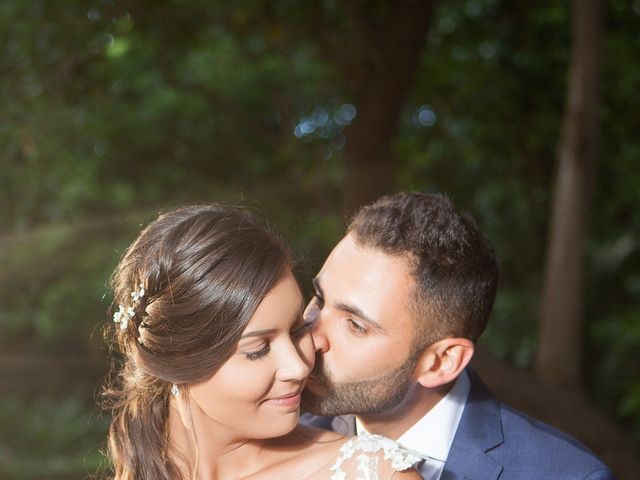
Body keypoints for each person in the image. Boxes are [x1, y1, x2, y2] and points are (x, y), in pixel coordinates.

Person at [301, 192, 615, 480]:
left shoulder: (569, 476)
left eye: (355, 325)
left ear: (441, 362)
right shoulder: (284, 446)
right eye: (318, 298)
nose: (310, 336)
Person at [101, 204, 423, 480]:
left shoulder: (374, 473)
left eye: (298, 329)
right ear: (177, 362)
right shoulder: (140, 459)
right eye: (258, 350)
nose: (298, 367)